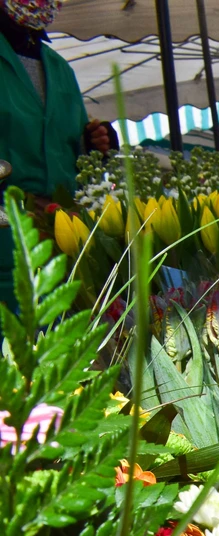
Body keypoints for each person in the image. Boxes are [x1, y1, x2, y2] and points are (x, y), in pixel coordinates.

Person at [1, 0, 114, 309]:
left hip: (63, 229)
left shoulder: (58, 67)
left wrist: (97, 146)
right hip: (8, 234)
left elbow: (76, 152)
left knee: (64, 338)